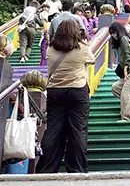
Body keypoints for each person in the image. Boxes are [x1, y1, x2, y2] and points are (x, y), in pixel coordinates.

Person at [36, 19, 93, 174]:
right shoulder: (83, 48)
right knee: (77, 130)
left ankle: (47, 168)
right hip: (77, 90)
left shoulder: (50, 49)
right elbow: (91, 60)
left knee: (53, 130)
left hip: (55, 91)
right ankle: (77, 168)